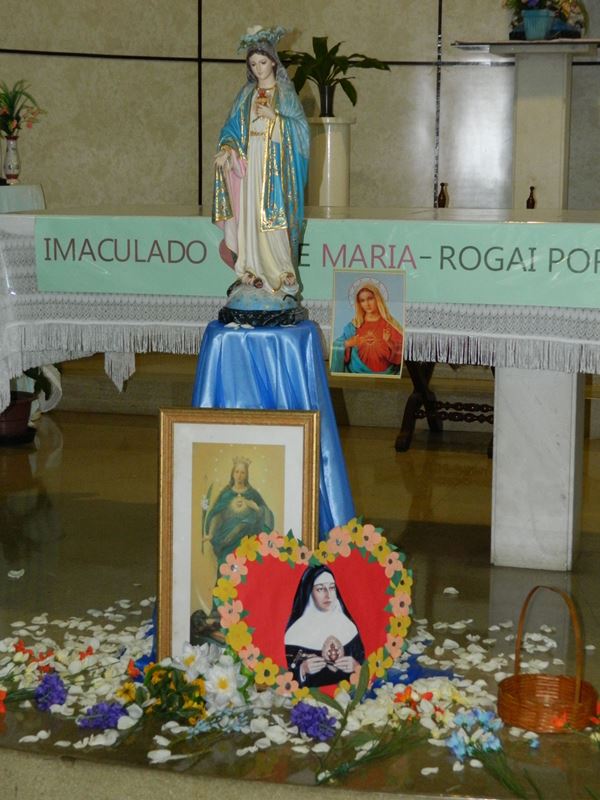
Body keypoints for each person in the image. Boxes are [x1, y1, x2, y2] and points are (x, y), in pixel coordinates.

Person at [212, 25, 309, 299]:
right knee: (250, 219)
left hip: (275, 169)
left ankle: (281, 272)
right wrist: (227, 149)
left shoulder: (285, 94)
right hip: (250, 165)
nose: (258, 69)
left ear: (273, 62)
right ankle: (251, 269)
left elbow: (301, 132)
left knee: (274, 222)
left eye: (263, 62)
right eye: (253, 64)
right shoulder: (246, 94)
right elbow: (232, 128)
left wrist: (275, 119)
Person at [284, 565, 365, 687]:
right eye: (320, 589)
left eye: (332, 588)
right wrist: (302, 670)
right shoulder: (294, 634)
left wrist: (356, 666)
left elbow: (365, 666)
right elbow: (286, 675)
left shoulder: (349, 627)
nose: (328, 595)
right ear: (309, 592)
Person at [203, 457, 274, 562]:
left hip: (246, 541)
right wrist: (211, 534)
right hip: (226, 540)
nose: (239, 476)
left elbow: (267, 514)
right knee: (227, 567)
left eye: (242, 472)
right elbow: (217, 514)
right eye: (237, 472)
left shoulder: (252, 494)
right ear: (232, 474)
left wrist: (256, 507)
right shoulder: (226, 494)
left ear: (246, 475)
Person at [330, 280, 404, 374]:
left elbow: (401, 352)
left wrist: (389, 342)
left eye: (370, 298)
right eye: (362, 300)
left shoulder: (390, 324)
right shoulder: (354, 326)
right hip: (356, 373)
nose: (367, 304)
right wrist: (348, 343)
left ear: (377, 299)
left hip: (387, 375)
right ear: (359, 304)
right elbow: (336, 346)